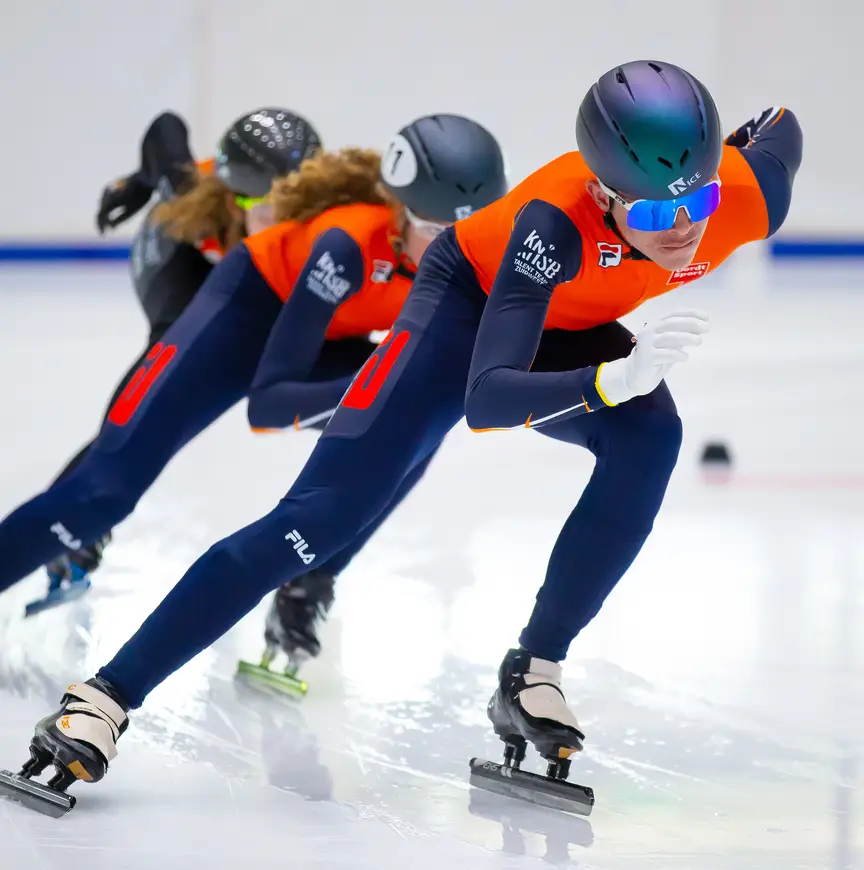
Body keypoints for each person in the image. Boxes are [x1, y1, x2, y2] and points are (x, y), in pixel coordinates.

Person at [1, 61, 801, 815]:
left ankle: (534, 671)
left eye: (694, 205)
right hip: (469, 308)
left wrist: (736, 150)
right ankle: (103, 697)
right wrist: (606, 382)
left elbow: (783, 129)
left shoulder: (746, 194)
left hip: (571, 319)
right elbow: (484, 400)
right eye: (656, 213)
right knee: (314, 521)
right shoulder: (548, 227)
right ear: (600, 190)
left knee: (651, 439)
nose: (683, 233)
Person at [32, 107, 322, 615]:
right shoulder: (192, 195)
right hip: (174, 260)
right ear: (235, 201)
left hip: (225, 260)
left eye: (299, 209)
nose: (287, 223)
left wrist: (136, 181)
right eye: (270, 210)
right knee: (149, 403)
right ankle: (73, 524)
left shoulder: (308, 208)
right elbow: (165, 127)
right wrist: (148, 182)